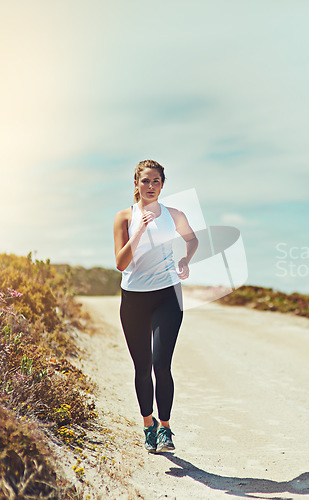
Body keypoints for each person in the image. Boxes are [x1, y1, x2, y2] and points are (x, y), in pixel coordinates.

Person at [113, 159, 198, 453]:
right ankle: (148, 425)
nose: (150, 186)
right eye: (145, 181)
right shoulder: (124, 217)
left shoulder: (174, 214)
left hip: (167, 295)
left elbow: (192, 239)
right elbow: (121, 263)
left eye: (156, 181)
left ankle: (166, 428)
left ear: (163, 185)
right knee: (143, 366)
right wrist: (139, 231)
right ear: (136, 183)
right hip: (134, 297)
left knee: (162, 364)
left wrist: (185, 258)